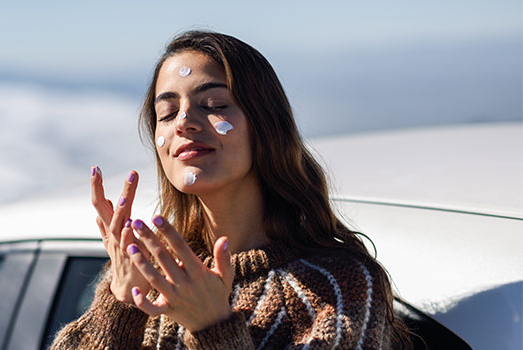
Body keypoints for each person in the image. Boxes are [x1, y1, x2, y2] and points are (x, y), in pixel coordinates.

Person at [50, 30, 409, 350]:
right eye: (168, 112)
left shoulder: (338, 286)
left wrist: (213, 329)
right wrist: (121, 302)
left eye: (214, 105)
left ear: (266, 125)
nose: (185, 122)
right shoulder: (150, 274)